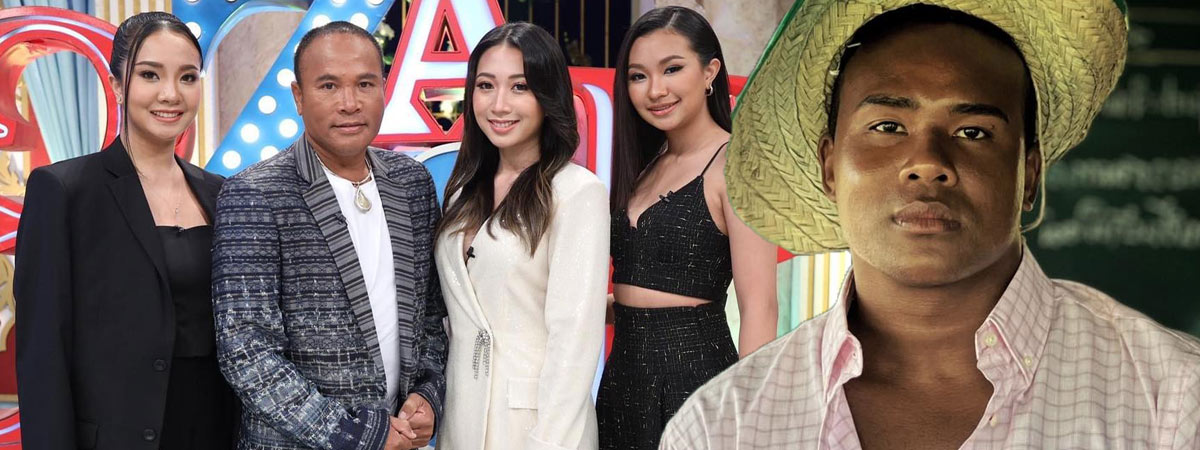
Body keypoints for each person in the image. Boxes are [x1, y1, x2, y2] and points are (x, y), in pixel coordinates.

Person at [661, 1, 1200, 449]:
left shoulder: (1173, 401)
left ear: (1029, 174)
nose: (927, 163)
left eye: (973, 132)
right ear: (829, 167)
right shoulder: (722, 428)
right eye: (887, 126)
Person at [212, 21, 447, 450]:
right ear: (298, 97)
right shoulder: (255, 193)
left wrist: (429, 395)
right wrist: (356, 434)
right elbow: (246, 350)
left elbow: (430, 316)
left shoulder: (412, 182)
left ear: (384, 89)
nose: (350, 103)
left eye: (365, 84)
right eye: (328, 86)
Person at [14, 11, 236, 449]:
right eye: (150, 74)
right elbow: (42, 354)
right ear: (117, 85)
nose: (171, 94)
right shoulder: (65, 190)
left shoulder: (220, 192)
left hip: (213, 430)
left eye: (187, 77)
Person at [597, 6, 778, 449]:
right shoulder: (646, 164)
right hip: (622, 383)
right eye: (638, 76)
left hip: (695, 382)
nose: (655, 90)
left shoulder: (738, 165)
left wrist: (747, 417)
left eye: (672, 69)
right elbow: (640, 293)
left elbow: (760, 307)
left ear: (709, 72)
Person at [433, 22, 609, 450]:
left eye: (519, 87)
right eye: (485, 85)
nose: (499, 104)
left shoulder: (576, 192)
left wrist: (549, 442)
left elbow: (574, 340)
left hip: (536, 426)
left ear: (547, 96)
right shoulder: (462, 191)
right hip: (460, 419)